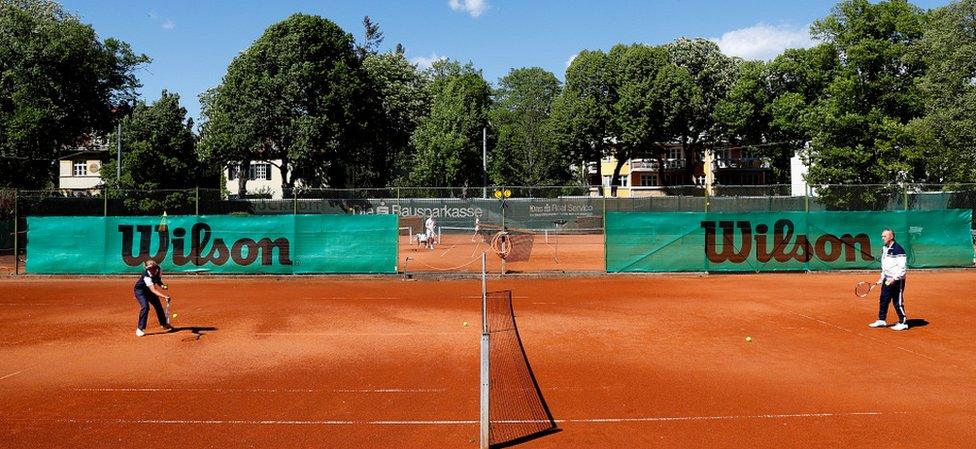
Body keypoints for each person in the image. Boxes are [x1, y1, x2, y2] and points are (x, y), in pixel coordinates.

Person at [868, 228, 909, 331]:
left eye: (884, 236)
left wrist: (894, 278)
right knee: (884, 299)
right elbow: (884, 265)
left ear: (891, 237)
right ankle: (882, 320)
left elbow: (902, 268)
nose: (882, 238)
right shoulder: (885, 248)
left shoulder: (898, 249)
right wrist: (882, 277)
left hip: (897, 281)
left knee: (897, 301)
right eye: (882, 236)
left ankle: (903, 322)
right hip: (887, 279)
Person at [134, 260, 174, 337]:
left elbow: (158, 280)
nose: (151, 270)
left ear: (156, 267)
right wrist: (164, 296)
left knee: (158, 306)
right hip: (141, 291)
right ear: (146, 269)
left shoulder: (159, 270)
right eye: (149, 269)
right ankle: (140, 329)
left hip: (150, 291)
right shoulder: (146, 276)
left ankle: (164, 324)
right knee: (145, 307)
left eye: (153, 268)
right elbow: (153, 290)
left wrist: (162, 285)